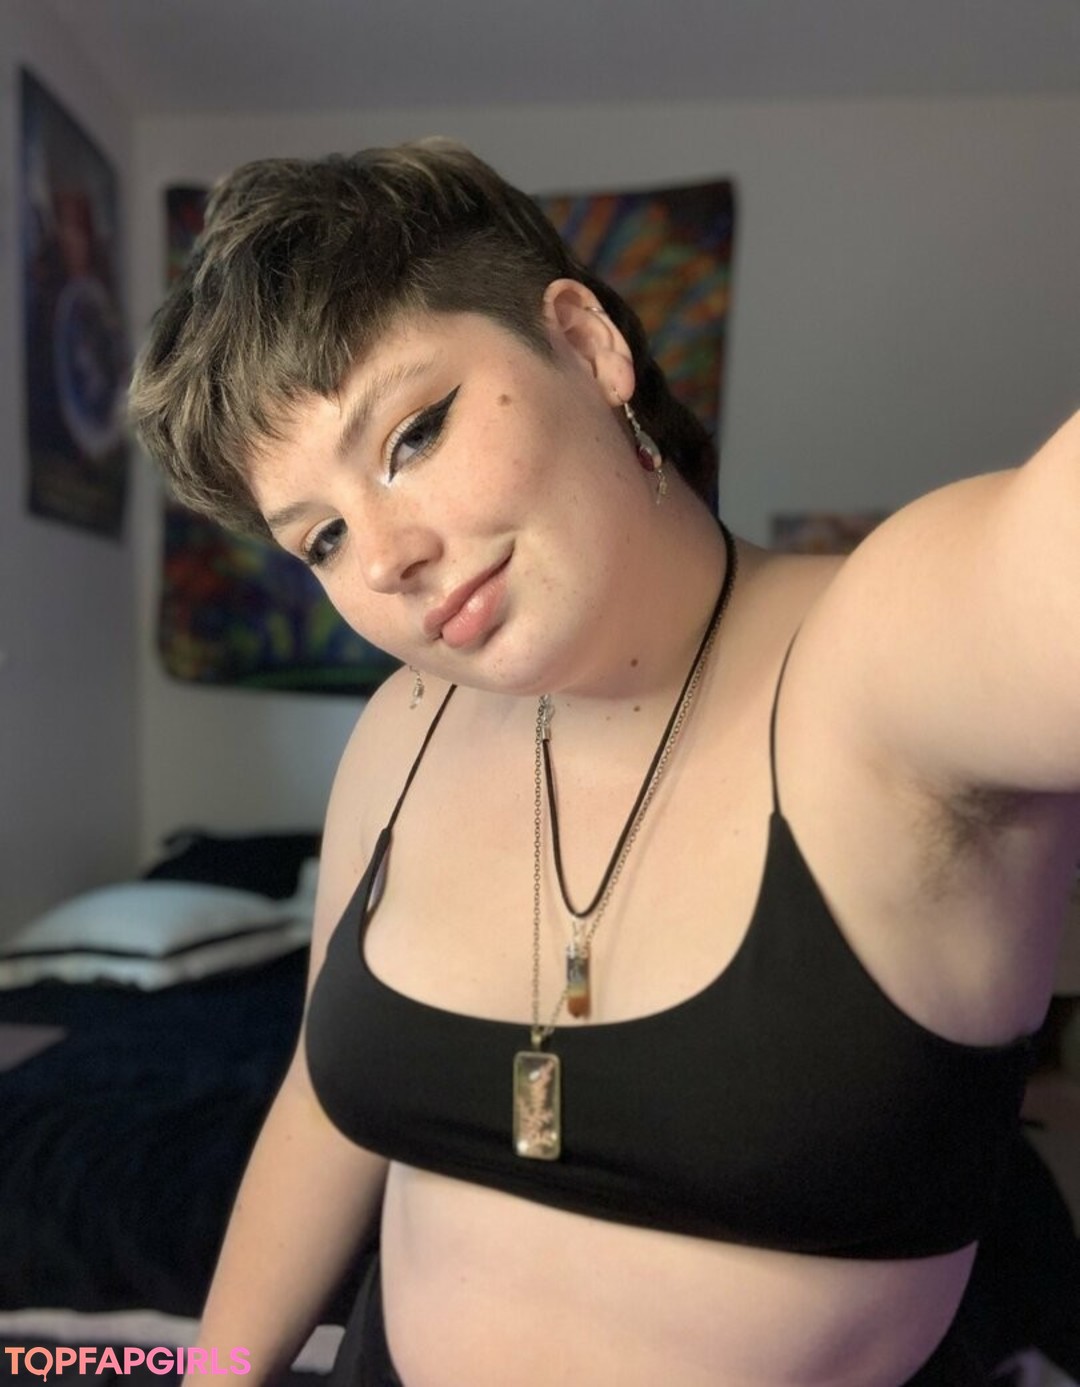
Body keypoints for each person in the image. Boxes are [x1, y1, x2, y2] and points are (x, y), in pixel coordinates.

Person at [128, 139, 1080, 1387]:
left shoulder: (876, 659)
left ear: (585, 345)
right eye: (322, 538)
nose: (385, 559)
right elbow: (322, 1098)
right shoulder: (404, 726)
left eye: (413, 434)